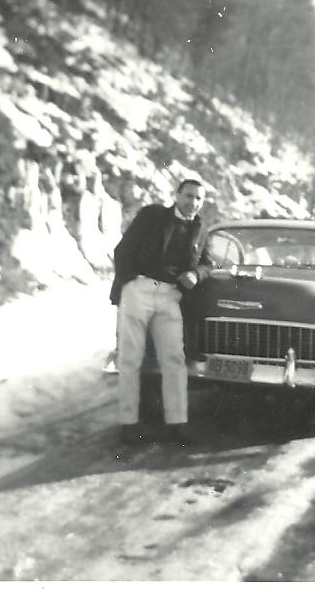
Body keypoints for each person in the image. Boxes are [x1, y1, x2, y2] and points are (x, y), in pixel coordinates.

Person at [109, 179, 213, 446]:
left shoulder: (201, 228)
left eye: (199, 198)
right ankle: (128, 424)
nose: (193, 202)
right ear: (177, 196)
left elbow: (207, 263)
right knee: (131, 358)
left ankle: (177, 424)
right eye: (188, 196)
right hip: (139, 289)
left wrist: (195, 274)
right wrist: (129, 282)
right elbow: (122, 250)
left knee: (174, 360)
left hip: (170, 296)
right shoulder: (152, 215)